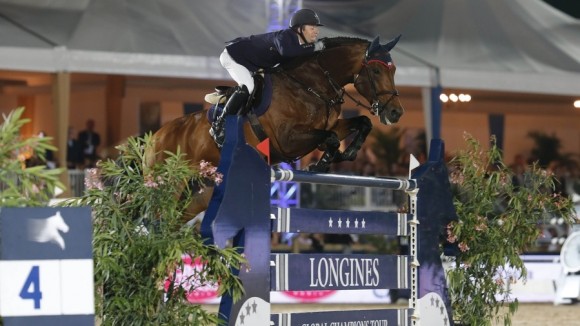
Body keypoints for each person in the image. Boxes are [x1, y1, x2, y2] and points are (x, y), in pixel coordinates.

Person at [209, 8, 326, 143]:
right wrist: (315, 47)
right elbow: (287, 52)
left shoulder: (296, 45)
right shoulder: (285, 36)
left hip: (248, 62)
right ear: (300, 28)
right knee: (249, 86)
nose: (316, 31)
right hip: (233, 56)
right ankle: (219, 125)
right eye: (312, 27)